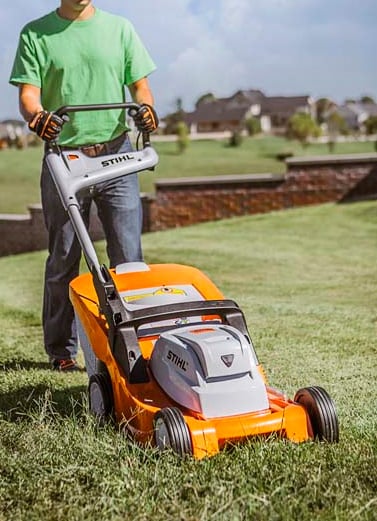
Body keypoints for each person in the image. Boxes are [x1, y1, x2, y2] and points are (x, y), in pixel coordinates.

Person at [9, 0, 159, 371]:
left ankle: (135, 347)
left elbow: (141, 86)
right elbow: (28, 94)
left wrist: (146, 110)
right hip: (65, 156)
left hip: (117, 153)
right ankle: (61, 352)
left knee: (129, 258)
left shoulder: (120, 29)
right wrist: (38, 117)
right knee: (63, 257)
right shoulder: (36, 33)